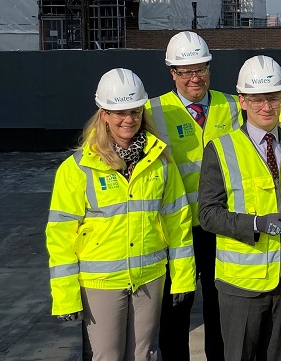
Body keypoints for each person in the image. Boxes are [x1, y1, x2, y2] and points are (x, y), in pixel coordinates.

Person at [46, 68, 195, 361]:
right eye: (119, 113)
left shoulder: (160, 163)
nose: (129, 120)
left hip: (149, 280)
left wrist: (183, 279)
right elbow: (60, 235)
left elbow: (178, 222)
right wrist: (65, 296)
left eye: (135, 111)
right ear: (103, 114)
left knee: (144, 355)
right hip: (101, 284)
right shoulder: (77, 169)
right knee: (107, 356)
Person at [198, 55, 281, 361]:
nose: (267, 107)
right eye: (258, 99)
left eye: (274, 97)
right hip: (242, 285)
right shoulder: (221, 148)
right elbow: (207, 214)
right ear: (242, 101)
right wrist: (255, 224)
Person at [147, 31, 242, 361]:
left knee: (221, 309)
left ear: (209, 68)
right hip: (177, 230)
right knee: (175, 310)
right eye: (185, 72)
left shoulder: (233, 106)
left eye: (200, 69)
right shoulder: (152, 111)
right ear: (172, 73)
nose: (194, 78)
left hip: (219, 227)